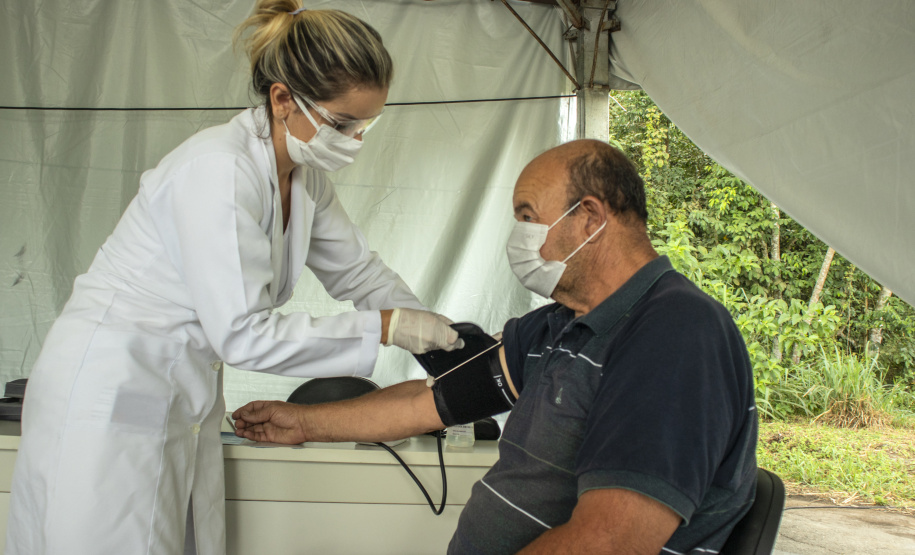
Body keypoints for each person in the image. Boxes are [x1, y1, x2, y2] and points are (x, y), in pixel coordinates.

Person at [6, 2, 463, 554]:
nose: (357, 140)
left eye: (368, 124)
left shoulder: (305, 177)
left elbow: (359, 272)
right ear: (281, 99)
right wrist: (387, 328)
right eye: (343, 124)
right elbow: (242, 334)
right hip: (110, 393)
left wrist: (445, 338)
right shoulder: (218, 171)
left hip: (178, 393)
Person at [232, 139, 759, 555]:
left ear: (590, 218)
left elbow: (611, 541)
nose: (519, 236)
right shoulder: (555, 327)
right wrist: (303, 423)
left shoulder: (675, 333)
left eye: (528, 216)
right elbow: (426, 403)